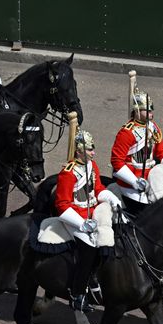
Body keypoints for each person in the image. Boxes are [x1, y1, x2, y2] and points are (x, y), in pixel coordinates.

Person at [56, 130, 121, 312]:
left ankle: (95, 277)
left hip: (91, 213)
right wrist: (81, 223)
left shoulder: (92, 166)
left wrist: (111, 198)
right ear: (80, 151)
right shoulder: (68, 173)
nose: (93, 152)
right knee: (89, 250)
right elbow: (62, 204)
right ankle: (77, 295)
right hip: (74, 218)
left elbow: (97, 188)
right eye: (90, 149)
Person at [111, 88, 163, 215]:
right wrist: (134, 181)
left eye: (151, 109)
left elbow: (162, 151)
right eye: (147, 110)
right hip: (133, 180)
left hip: (152, 175)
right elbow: (117, 162)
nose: (151, 112)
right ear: (137, 110)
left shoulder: (152, 127)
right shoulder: (126, 133)